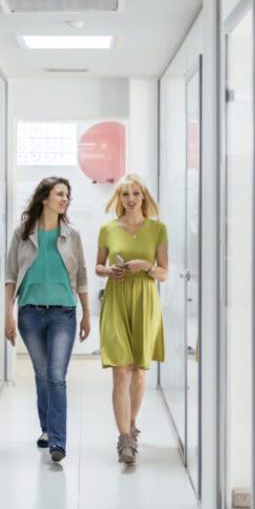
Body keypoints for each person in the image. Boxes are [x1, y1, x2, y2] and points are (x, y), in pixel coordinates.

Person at [4, 176, 91, 463]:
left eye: (67, 195)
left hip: (63, 312)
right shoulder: (23, 232)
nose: (65, 199)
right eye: (60, 194)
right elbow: (11, 275)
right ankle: (46, 430)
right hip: (30, 313)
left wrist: (87, 313)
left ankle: (57, 441)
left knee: (56, 376)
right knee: (42, 375)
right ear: (45, 198)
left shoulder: (72, 235)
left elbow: (81, 276)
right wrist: (8, 314)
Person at [95, 173, 169, 465]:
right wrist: (107, 271)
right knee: (120, 370)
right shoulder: (107, 229)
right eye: (125, 194)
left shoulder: (158, 229)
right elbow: (98, 266)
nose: (131, 199)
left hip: (145, 298)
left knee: (139, 370)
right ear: (119, 199)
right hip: (117, 297)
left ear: (143, 197)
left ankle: (132, 423)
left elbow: (164, 271)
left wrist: (145, 266)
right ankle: (124, 439)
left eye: (136, 194)